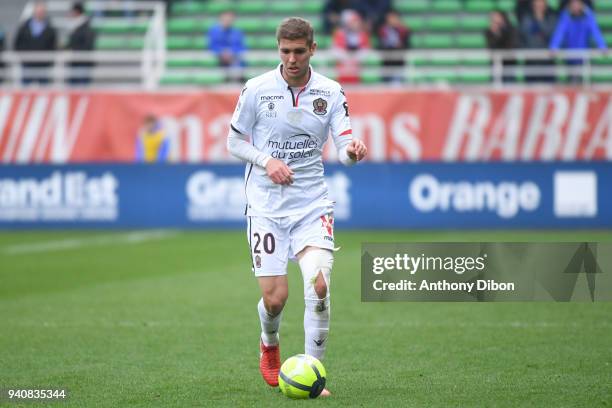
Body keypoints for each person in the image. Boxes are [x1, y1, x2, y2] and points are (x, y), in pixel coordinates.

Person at [226, 17, 367, 397]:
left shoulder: (331, 92)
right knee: (275, 299)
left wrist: (353, 153)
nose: (291, 59)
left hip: (311, 204)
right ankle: (268, 341)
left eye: (298, 51)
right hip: (266, 206)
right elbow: (234, 143)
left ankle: (313, 373)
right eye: (285, 51)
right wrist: (266, 161)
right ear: (278, 50)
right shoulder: (256, 89)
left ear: (312, 50)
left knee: (318, 286)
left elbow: (344, 148)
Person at [550, 0, 607, 82]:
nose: (575, 6)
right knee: (571, 82)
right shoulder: (566, 17)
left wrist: (602, 46)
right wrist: (554, 46)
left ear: (582, 5)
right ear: (570, 5)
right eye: (573, 4)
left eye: (577, 4)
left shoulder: (588, 16)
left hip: (584, 57)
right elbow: (559, 33)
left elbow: (596, 32)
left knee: (585, 81)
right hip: (570, 57)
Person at [14, 1, 57, 85]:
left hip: (44, 65)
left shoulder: (50, 29)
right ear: (34, 12)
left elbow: (53, 46)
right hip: (27, 64)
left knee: (44, 91)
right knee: (25, 91)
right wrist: (24, 57)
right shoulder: (24, 27)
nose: (40, 13)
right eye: (38, 11)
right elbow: (17, 43)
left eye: (42, 11)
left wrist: (48, 61)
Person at [519, 0, 557, 82]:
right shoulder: (527, 17)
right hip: (531, 59)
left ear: (545, 4)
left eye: (541, 2)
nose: (539, 5)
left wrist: (540, 21)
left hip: (547, 59)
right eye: (537, 2)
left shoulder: (551, 17)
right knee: (531, 88)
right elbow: (523, 34)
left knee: (549, 87)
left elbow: (551, 34)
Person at [333, 10, 371, 84]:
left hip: (357, 59)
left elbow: (366, 48)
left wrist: (355, 56)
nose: (355, 24)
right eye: (353, 22)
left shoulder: (363, 34)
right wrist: (347, 55)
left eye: (356, 22)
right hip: (344, 58)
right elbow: (337, 47)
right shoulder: (340, 33)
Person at [207, 11, 246, 83]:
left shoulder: (237, 32)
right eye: (225, 19)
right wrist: (221, 52)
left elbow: (241, 46)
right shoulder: (214, 31)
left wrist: (231, 52)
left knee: (238, 62)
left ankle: (238, 80)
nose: (227, 21)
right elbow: (212, 46)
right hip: (218, 57)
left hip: (234, 57)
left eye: (229, 20)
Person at [377, 9, 410, 84]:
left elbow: (408, 45)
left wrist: (400, 46)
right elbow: (379, 46)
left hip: (400, 62)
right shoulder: (382, 31)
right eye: (390, 18)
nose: (392, 20)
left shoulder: (404, 30)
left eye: (394, 18)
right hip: (386, 63)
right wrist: (389, 46)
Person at [484, 10, 518, 83]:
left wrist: (500, 33)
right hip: (495, 65)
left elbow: (510, 46)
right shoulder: (489, 32)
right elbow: (491, 47)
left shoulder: (511, 30)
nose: (494, 20)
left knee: (509, 86)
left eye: (496, 17)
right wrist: (495, 34)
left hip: (509, 64)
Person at [66, 2, 96, 85]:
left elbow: (87, 45)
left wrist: (72, 50)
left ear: (77, 12)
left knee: (81, 89)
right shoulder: (75, 26)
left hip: (82, 63)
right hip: (74, 62)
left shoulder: (86, 27)